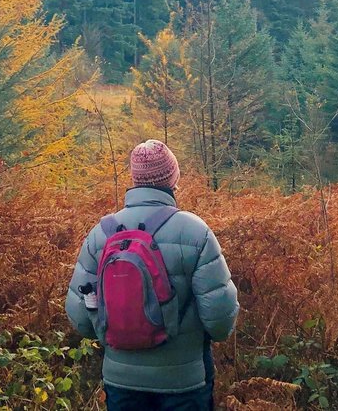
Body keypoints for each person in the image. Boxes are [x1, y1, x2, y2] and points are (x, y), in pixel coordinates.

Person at [65, 139, 239, 411]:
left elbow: (80, 319)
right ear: (172, 178)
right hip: (183, 383)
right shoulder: (195, 231)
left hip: (121, 382)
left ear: (134, 179)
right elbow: (220, 320)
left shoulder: (101, 234)